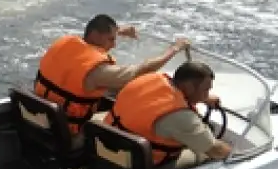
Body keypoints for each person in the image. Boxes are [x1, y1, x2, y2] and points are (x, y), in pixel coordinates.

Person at [33, 14, 191, 137]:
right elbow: (141, 71)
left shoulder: (64, 43)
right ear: (96, 35)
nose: (114, 45)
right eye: (111, 39)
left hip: (41, 117)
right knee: (124, 121)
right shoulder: (98, 71)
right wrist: (174, 49)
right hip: (69, 129)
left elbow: (86, 45)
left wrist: (120, 31)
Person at [104, 61, 231, 169]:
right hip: (140, 167)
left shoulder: (150, 78)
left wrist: (204, 98)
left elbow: (157, 99)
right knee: (202, 155)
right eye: (205, 90)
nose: (207, 94)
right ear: (189, 88)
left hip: (108, 149)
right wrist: (237, 155)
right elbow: (215, 150)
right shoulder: (179, 116)